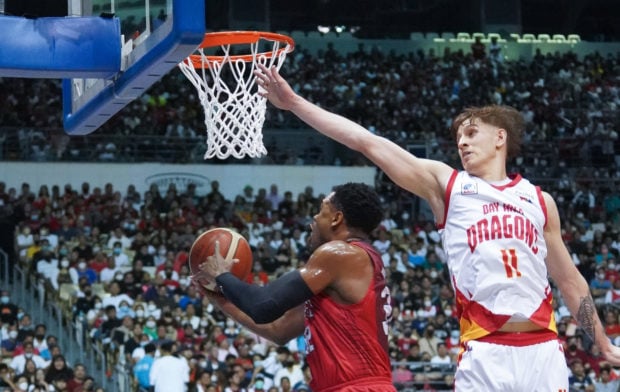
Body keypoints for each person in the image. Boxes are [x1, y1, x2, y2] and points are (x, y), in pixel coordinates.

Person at [253, 64, 620, 390]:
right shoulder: (449, 186)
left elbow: (570, 280)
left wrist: (601, 342)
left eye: (472, 132)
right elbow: (367, 142)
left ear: (500, 137)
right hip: (485, 351)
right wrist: (295, 103)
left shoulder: (540, 201)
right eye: (458, 136)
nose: (462, 141)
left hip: (543, 351)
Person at [192, 182, 395, 391]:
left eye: (321, 211)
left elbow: (263, 305)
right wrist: (218, 298)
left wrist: (221, 275)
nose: (313, 219)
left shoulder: (340, 254)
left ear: (337, 218)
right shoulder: (348, 269)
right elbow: (277, 330)